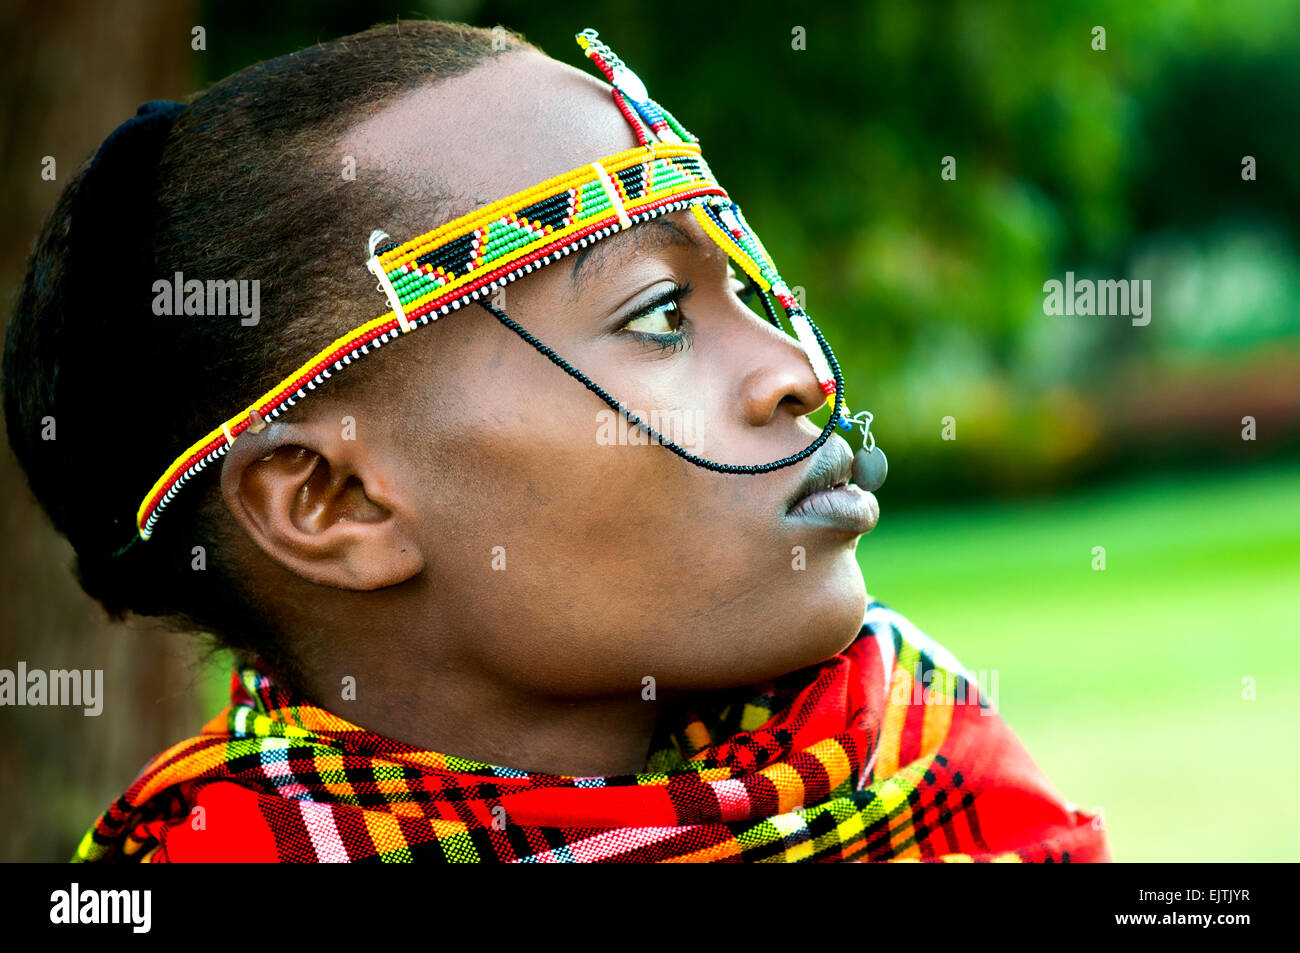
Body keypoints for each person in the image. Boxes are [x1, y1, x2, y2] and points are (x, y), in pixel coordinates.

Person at [3, 20, 1110, 862]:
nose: (794, 372)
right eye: (659, 318)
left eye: (744, 293)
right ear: (333, 499)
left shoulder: (910, 756)